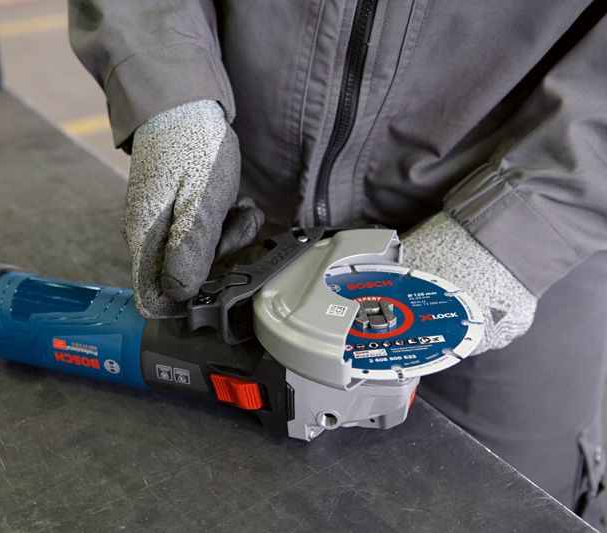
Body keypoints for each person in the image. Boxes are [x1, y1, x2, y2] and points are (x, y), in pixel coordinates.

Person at [68, 1, 607, 524]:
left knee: (519, 509)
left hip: (523, 245)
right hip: (251, 199)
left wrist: (526, 218)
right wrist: (172, 93)